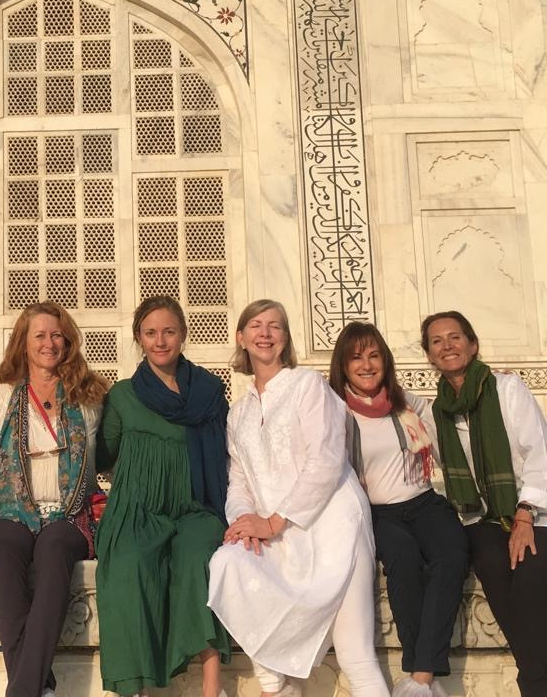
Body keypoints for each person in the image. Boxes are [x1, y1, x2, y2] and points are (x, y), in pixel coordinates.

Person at [208, 300, 388, 697]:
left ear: (285, 338)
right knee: (227, 563)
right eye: (256, 325)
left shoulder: (308, 385)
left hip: (334, 527)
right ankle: (276, 687)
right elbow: (238, 480)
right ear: (241, 338)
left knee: (356, 656)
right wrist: (244, 523)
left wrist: (274, 521)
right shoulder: (238, 414)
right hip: (278, 538)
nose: (265, 333)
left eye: (275, 326)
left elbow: (326, 459)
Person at [95, 296, 230, 697]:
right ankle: (134, 689)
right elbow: (101, 456)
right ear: (139, 337)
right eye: (151, 333)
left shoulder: (208, 393)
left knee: (198, 559)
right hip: (137, 509)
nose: (160, 341)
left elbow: (230, 452)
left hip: (196, 507)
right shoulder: (123, 395)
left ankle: (212, 688)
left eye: (169, 331)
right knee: (127, 566)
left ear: (183, 334)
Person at [330, 322, 466, 697]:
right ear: (343, 365)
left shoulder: (406, 403)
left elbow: (451, 415)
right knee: (404, 560)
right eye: (357, 358)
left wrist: (489, 387)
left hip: (423, 502)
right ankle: (424, 676)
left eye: (374, 356)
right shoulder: (334, 410)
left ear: (385, 361)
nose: (367, 365)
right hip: (378, 512)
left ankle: (420, 677)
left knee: (452, 555)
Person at [0, 301, 109, 697]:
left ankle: (22, 690)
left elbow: (110, 456)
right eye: (39, 335)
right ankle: (42, 687)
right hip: (13, 511)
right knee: (2, 547)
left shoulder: (90, 398)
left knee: (54, 548)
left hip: (69, 514)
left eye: (57, 335)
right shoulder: (1, 396)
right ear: (23, 343)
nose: (49, 343)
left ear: (68, 342)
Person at [421, 310, 547, 696]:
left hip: (534, 509)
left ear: (472, 344)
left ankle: (533, 682)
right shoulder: (437, 412)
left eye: (455, 337)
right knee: (492, 565)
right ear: (429, 354)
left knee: (528, 580)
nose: (447, 346)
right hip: (482, 518)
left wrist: (525, 514)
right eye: (437, 341)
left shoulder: (507, 389)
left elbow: (539, 452)